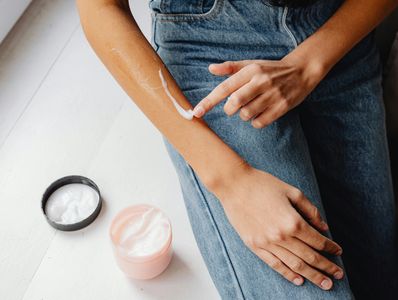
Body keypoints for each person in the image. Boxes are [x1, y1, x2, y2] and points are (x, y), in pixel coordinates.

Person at [76, 0, 398, 299]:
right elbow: (99, 8)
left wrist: (309, 63)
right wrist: (231, 180)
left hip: (338, 24)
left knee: (382, 283)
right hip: (208, 42)